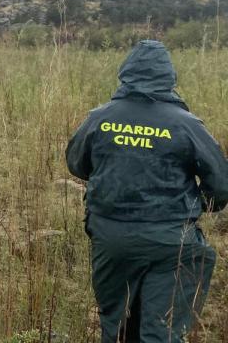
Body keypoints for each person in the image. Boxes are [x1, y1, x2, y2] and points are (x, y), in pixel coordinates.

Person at [66, 40, 228, 342]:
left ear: (125, 73)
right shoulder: (187, 124)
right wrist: (198, 204)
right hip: (171, 240)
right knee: (162, 331)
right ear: (169, 77)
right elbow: (220, 185)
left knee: (114, 327)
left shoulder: (100, 117)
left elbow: (76, 165)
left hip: (111, 237)